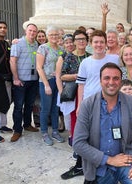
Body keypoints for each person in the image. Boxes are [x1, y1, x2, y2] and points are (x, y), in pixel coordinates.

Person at [73, 62, 132, 184]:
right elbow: (78, 143)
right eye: (106, 78)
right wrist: (109, 159)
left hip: (126, 160)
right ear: (100, 81)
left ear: (120, 82)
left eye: (116, 78)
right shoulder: (87, 105)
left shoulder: (131, 102)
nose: (111, 82)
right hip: (99, 166)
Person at [59, 30, 91, 180]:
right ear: (74, 41)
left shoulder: (90, 57)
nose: (81, 41)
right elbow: (62, 75)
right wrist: (77, 76)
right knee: (75, 120)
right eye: (78, 39)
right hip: (75, 94)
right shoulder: (70, 56)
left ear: (87, 40)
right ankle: (77, 149)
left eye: (83, 39)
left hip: (89, 93)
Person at [9, 23, 40, 142]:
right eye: (30, 30)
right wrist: (16, 78)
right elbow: (13, 61)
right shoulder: (18, 43)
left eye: (34, 31)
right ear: (25, 31)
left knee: (29, 104)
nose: (32, 33)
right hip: (20, 81)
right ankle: (17, 130)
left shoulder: (36, 44)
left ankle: (27, 125)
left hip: (33, 80)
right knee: (18, 106)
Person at [36, 25, 65, 146]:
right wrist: (46, 85)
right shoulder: (43, 48)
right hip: (46, 81)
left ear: (59, 36)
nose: (54, 36)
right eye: (51, 34)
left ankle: (55, 130)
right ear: (48, 36)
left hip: (57, 81)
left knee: (55, 108)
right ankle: (44, 132)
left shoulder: (61, 49)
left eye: (56, 34)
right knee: (46, 108)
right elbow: (39, 67)